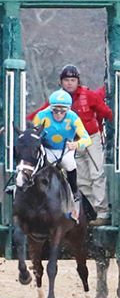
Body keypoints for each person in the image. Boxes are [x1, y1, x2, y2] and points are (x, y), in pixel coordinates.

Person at [30, 65, 113, 219]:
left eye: (73, 80)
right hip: (69, 142)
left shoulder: (89, 95)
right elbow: (39, 114)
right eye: (66, 80)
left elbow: (107, 112)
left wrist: (101, 129)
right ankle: (90, 212)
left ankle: (102, 212)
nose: (69, 83)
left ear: (78, 81)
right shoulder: (56, 100)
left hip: (90, 138)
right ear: (61, 82)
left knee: (97, 174)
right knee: (81, 179)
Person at [30, 89, 93, 221]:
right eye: (55, 110)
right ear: (50, 108)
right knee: (36, 166)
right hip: (47, 149)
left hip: (65, 149)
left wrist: (76, 144)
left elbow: (87, 139)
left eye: (62, 111)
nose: (58, 114)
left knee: (70, 165)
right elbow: (32, 134)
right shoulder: (42, 115)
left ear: (68, 110)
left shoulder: (74, 118)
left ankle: (74, 192)